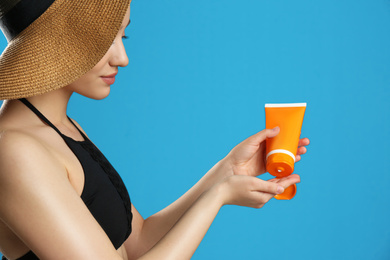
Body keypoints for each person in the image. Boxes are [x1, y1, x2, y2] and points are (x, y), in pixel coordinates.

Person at [0, 0, 310, 259]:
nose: (123, 58)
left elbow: (137, 242)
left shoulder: (61, 128)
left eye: (124, 37)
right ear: (56, 42)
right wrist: (217, 197)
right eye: (107, 39)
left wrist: (227, 173)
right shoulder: (14, 151)